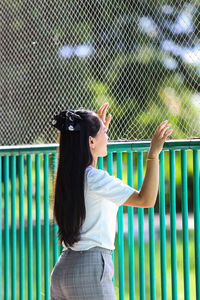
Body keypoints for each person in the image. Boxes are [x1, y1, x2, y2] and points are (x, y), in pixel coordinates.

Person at [49, 103, 173, 300]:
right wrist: (153, 155)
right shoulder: (96, 179)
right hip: (90, 270)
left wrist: (95, 128)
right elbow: (146, 199)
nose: (107, 137)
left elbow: (88, 166)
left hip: (63, 270)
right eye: (104, 133)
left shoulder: (69, 177)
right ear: (91, 141)